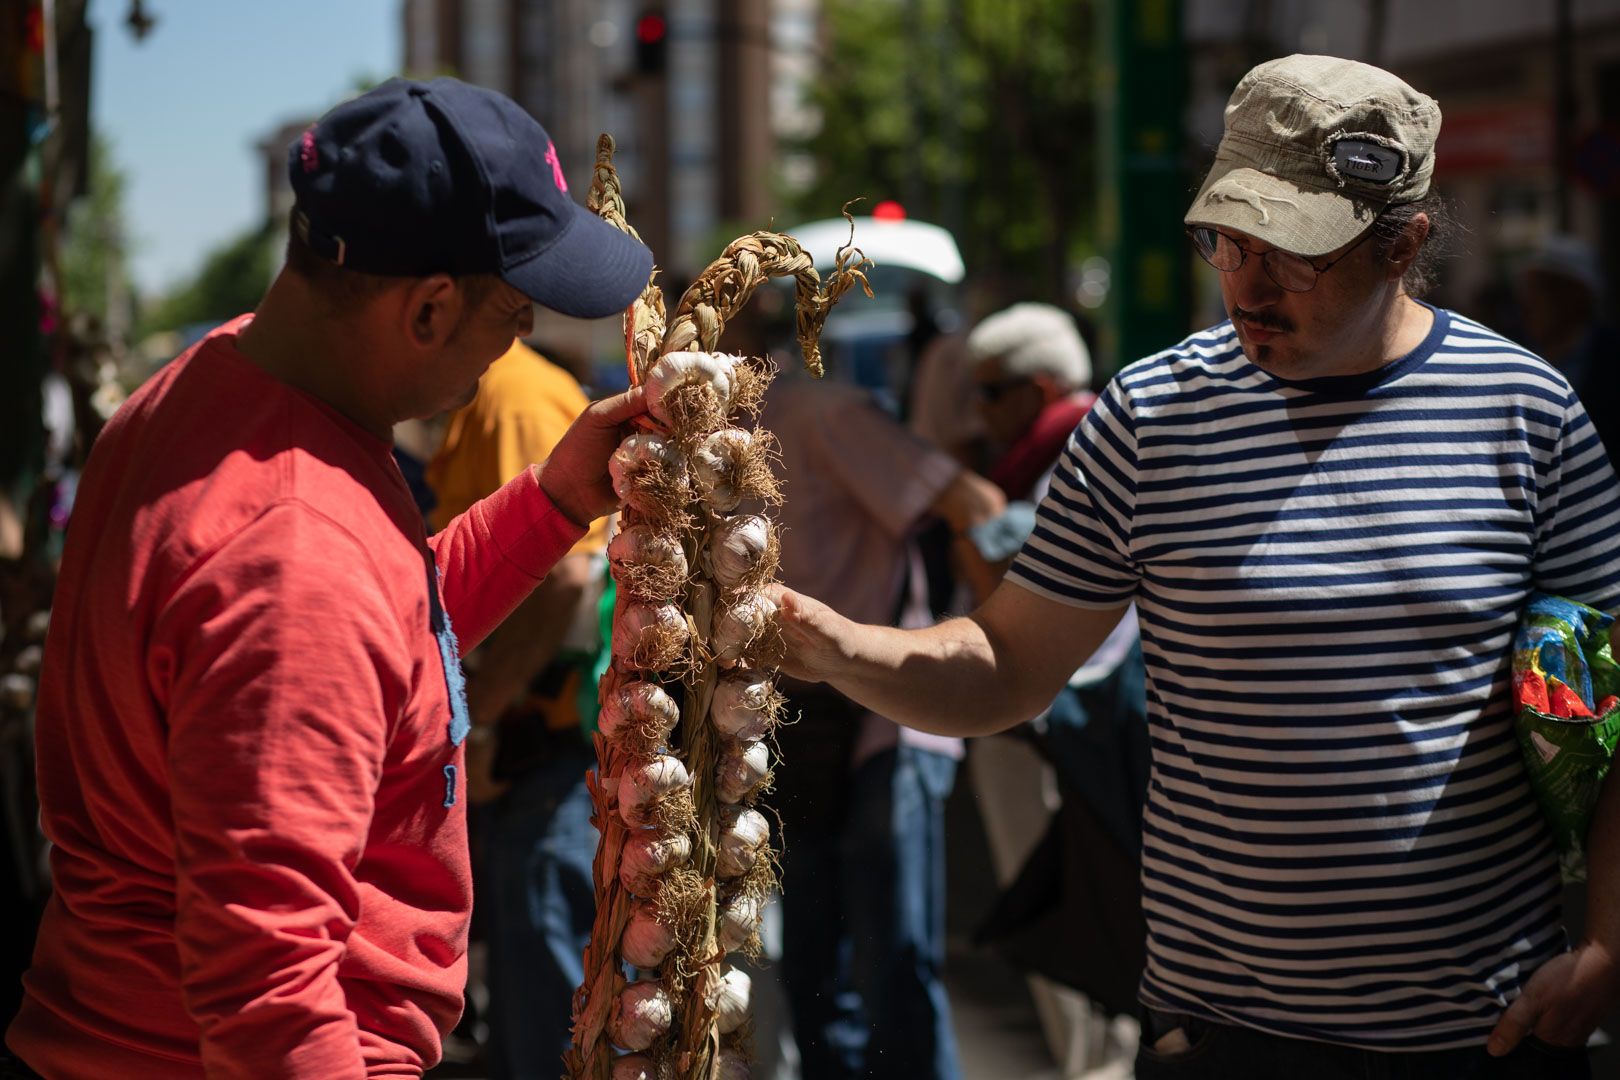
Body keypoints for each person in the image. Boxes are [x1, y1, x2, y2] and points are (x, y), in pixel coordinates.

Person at [770, 55, 1620, 1078]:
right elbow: (1006, 665)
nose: (1249, 287)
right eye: (1228, 241)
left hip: (1483, 1038)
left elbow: (1605, 710)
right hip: (1223, 1041)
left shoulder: (1528, 415)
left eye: (1295, 255)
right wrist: (842, 647)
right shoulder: (1151, 417)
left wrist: (1609, 948)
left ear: (1404, 244)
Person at [4, 77, 652, 1079]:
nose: (513, 350)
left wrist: (554, 498)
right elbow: (268, 991)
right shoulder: (293, 553)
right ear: (432, 308)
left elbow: (383, 625)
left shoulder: (215, 388)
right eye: (513, 317)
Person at [761, 363, 1004, 1080]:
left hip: (886, 726)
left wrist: (1000, 661)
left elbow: (977, 505)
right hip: (792, 728)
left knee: (891, 958)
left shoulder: (825, 414)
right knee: (811, 959)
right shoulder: (706, 437)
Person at [424, 337, 609, 1076]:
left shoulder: (516, 400)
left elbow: (567, 580)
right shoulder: (488, 398)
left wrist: (489, 716)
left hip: (546, 749)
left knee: (551, 1020)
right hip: (525, 747)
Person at [1519, 234, 1620, 458]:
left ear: (1577, 296)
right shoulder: (1514, 357)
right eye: (1528, 289)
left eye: (1544, 289)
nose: (1529, 302)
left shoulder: (1611, 359)